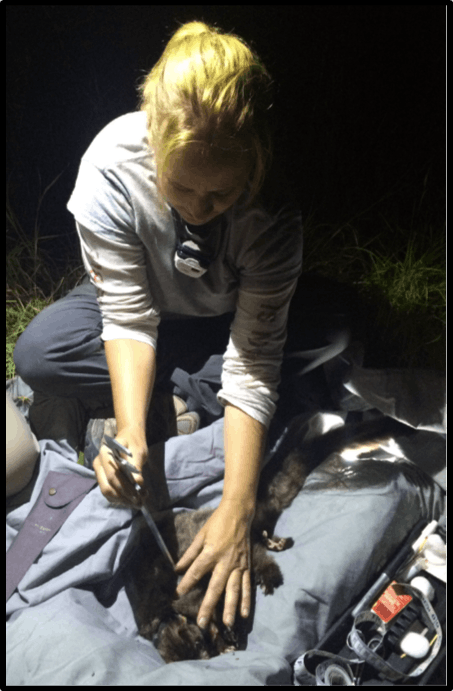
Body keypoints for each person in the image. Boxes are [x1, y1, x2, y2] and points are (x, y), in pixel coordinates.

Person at [13, 21, 303, 633]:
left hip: (221, 316)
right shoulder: (112, 167)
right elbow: (126, 311)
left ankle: (188, 387)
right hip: (145, 305)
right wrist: (131, 433)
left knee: (284, 367)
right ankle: (180, 392)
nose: (200, 209)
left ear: (253, 161)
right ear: (155, 140)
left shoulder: (272, 209)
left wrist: (238, 504)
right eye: (183, 189)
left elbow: (254, 360)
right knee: (38, 354)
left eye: (221, 194)